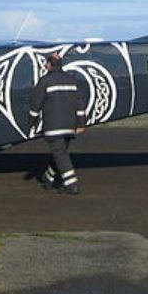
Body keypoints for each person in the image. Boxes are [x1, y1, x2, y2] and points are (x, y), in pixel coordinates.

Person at [30, 52, 86, 195]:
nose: (44, 65)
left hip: (53, 127)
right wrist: (80, 124)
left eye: (46, 62)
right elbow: (79, 104)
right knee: (60, 152)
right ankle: (48, 178)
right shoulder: (71, 80)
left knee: (60, 154)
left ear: (49, 64)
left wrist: (32, 123)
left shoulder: (45, 81)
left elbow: (35, 104)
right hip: (70, 126)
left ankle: (71, 184)